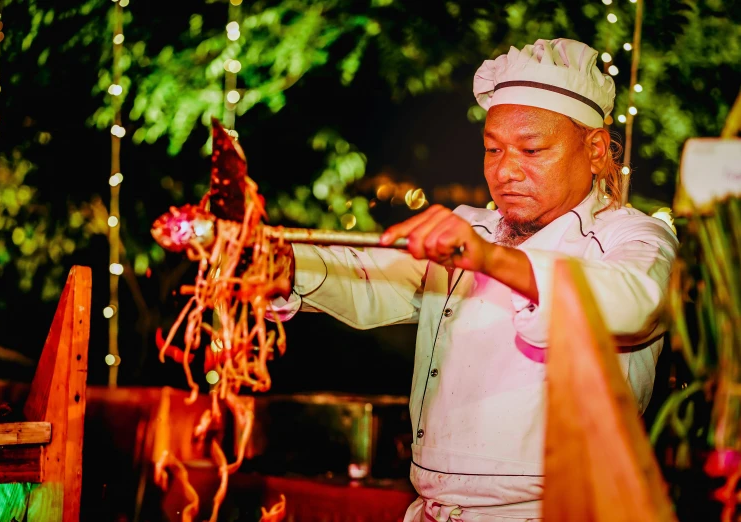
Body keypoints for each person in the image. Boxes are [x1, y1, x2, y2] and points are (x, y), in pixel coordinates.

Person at [270, 38, 678, 521]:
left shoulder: (633, 234)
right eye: (492, 149)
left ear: (592, 150)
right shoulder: (474, 228)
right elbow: (366, 275)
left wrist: (490, 260)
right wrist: (279, 265)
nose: (505, 171)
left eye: (531, 149)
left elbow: (636, 303)